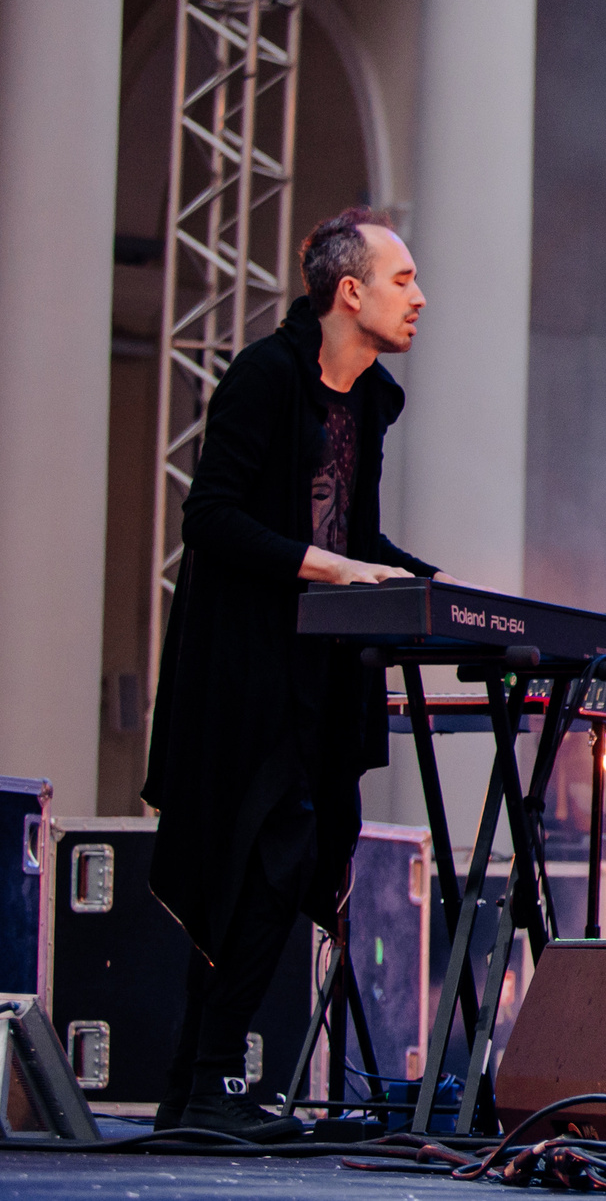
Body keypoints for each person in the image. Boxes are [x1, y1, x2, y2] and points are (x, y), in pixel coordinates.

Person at [142, 209, 452, 1137]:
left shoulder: (367, 403)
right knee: (255, 864)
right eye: (403, 280)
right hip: (245, 671)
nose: (420, 298)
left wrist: (426, 585)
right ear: (348, 291)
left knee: (299, 862)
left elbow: (353, 539)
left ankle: (196, 1094)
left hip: (321, 674)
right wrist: (339, 568)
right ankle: (206, 1087)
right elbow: (214, 519)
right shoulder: (266, 377)